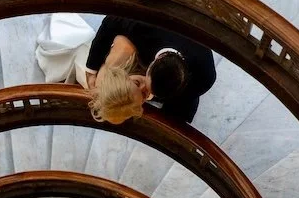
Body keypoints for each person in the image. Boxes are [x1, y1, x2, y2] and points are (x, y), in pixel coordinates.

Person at [83, 15, 216, 124]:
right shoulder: (145, 28)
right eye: (138, 83)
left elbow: (185, 101)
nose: (146, 92)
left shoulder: (204, 77)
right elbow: (111, 21)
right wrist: (92, 68)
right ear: (153, 63)